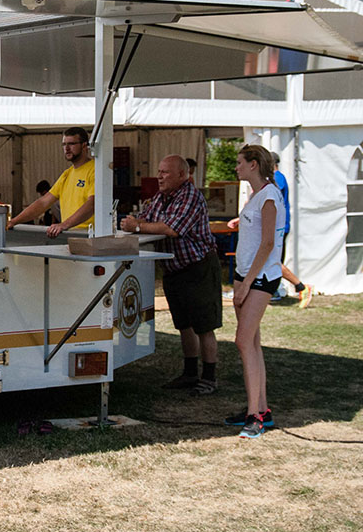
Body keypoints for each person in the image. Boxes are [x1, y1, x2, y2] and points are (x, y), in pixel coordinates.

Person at [120, 156, 222, 396]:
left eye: (165, 172)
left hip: (198, 267)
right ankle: (190, 373)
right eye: (159, 171)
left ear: (182, 175)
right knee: (184, 325)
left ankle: (209, 378)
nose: (159, 176)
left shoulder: (190, 196)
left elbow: (172, 229)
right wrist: (136, 222)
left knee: (204, 326)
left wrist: (136, 226)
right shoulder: (161, 197)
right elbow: (146, 218)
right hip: (174, 269)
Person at [223, 145, 285, 439]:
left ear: (253, 164)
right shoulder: (258, 195)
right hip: (246, 274)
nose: (236, 167)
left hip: (260, 278)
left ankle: (255, 416)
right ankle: (261, 409)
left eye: (239, 162)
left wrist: (247, 282)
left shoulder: (269, 196)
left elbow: (268, 243)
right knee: (252, 343)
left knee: (244, 341)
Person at [6, 127, 95, 237]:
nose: (67, 148)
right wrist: (14, 221)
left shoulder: (95, 170)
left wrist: (64, 225)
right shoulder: (67, 174)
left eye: (71, 144)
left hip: (90, 236)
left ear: (84, 145)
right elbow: (43, 202)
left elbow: (92, 204)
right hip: (71, 235)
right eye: (64, 144)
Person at [271, 152, 313, 308]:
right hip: (278, 226)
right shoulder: (277, 177)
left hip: (278, 227)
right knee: (271, 261)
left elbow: (272, 198)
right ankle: (273, 291)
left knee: (273, 261)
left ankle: (301, 287)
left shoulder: (277, 178)